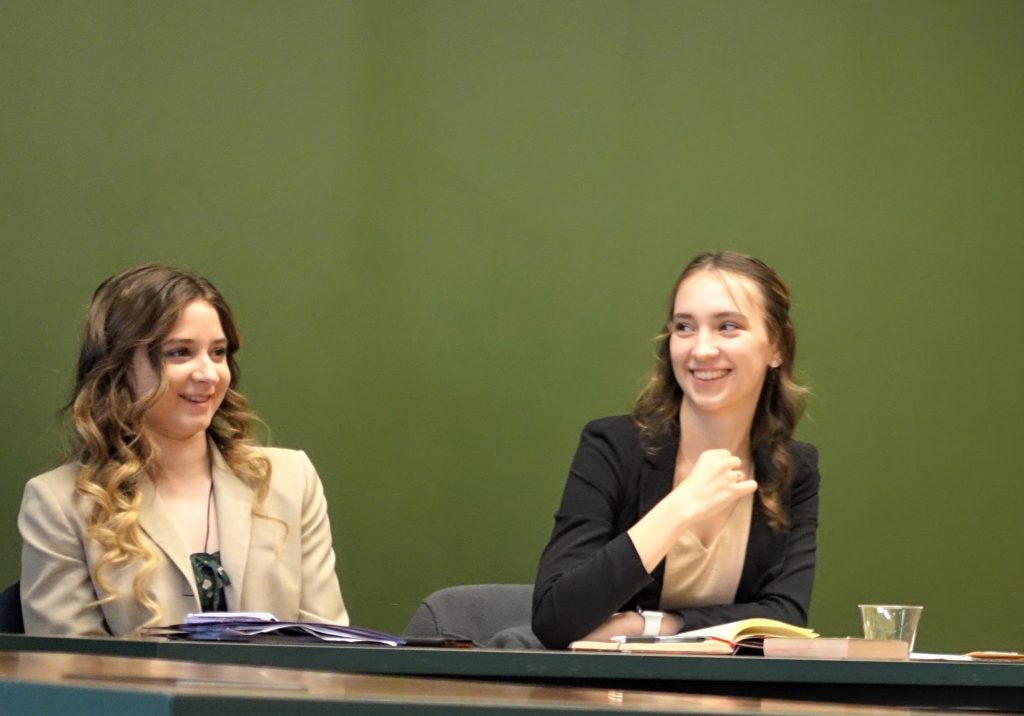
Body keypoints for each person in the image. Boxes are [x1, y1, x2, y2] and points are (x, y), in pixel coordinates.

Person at [18, 263, 348, 636]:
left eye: (219, 352)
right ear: (119, 366)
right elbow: (70, 675)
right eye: (180, 353)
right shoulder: (58, 504)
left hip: (277, 696)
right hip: (143, 698)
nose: (208, 373)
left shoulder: (291, 481)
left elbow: (328, 651)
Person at [532, 251, 820, 649]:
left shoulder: (793, 469)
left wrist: (645, 626)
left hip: (725, 702)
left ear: (777, 348)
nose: (701, 349)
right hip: (608, 698)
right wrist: (682, 504)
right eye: (684, 327)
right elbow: (555, 617)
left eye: (728, 327)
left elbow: (783, 617)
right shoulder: (613, 447)